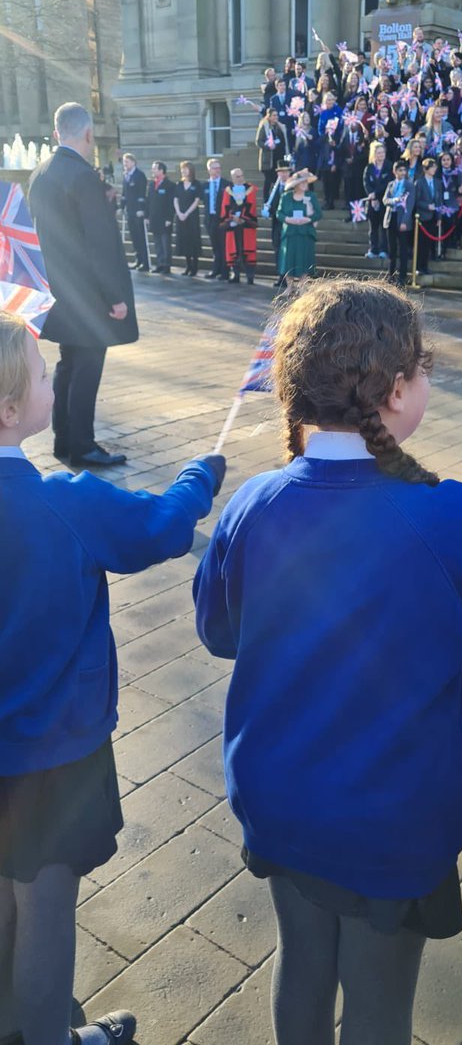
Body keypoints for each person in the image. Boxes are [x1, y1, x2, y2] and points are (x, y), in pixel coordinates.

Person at [193, 276, 462, 1045]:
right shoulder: (448, 519)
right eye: (421, 369)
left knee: (302, 965)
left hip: (277, 797)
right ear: (391, 390)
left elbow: (219, 632)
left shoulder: (253, 501)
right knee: (380, 1008)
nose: (426, 384)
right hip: (389, 820)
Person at [0, 310, 226, 1045]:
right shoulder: (64, 501)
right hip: (53, 751)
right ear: (10, 409)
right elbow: (160, 527)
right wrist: (201, 477)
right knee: (45, 906)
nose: (51, 383)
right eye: (41, 376)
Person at [28, 103, 138, 469]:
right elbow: (99, 242)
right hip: (89, 295)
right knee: (86, 369)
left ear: (58, 132)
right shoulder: (83, 176)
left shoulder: (40, 173)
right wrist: (115, 297)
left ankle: (64, 441)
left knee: (68, 365)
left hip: (58, 290)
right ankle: (83, 446)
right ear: (88, 134)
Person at [276, 168, 322, 290]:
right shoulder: (285, 197)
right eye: (302, 182)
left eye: (306, 182)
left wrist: (308, 219)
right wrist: (288, 219)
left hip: (305, 233)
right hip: (290, 233)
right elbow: (279, 213)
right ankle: (289, 287)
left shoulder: (311, 196)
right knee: (288, 259)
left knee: (304, 259)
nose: (305, 185)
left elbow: (318, 214)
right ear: (296, 185)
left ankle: (302, 287)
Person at [220, 168, 258, 284]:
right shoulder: (228, 191)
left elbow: (251, 206)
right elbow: (225, 206)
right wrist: (231, 217)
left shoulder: (250, 189)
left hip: (246, 225)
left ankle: (250, 276)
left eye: (241, 175)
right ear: (232, 178)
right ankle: (235, 275)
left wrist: (242, 218)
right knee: (233, 250)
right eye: (237, 176)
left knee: (248, 250)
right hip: (233, 225)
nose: (241, 178)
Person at [383, 158, 415, 286]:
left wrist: (405, 221)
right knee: (392, 249)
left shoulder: (409, 185)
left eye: (404, 170)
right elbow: (385, 200)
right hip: (391, 218)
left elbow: (410, 204)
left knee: (403, 249)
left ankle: (402, 277)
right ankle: (390, 275)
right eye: (400, 170)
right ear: (395, 171)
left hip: (402, 219)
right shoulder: (391, 184)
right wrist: (393, 200)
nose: (402, 172)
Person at [264, 162, 292, 289]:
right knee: (277, 250)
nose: (284, 174)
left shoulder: (292, 187)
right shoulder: (274, 187)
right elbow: (271, 203)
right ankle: (281, 276)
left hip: (289, 224)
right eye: (281, 172)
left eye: (286, 171)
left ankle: (289, 277)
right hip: (276, 224)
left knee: (288, 251)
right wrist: (267, 210)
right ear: (278, 173)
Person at [121, 153, 150, 273]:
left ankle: (145, 262)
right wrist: (121, 207)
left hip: (138, 211)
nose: (125, 164)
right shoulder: (126, 175)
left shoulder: (139, 175)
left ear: (133, 162)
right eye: (124, 162)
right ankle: (138, 259)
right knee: (134, 237)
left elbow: (142, 194)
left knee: (140, 237)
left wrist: (141, 209)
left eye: (127, 162)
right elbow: (124, 194)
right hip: (130, 211)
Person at [363, 142, 392, 259]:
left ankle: (384, 249)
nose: (381, 155)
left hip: (383, 200)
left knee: (383, 227)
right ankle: (373, 249)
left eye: (383, 152)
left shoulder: (389, 166)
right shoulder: (369, 167)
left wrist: (376, 193)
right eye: (379, 153)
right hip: (371, 201)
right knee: (373, 227)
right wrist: (371, 195)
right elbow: (366, 182)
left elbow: (388, 183)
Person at [146, 161, 175, 275]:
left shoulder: (170, 185)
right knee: (157, 243)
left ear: (161, 170)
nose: (152, 171)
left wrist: (169, 218)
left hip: (164, 219)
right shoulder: (152, 184)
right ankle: (160, 264)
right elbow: (149, 200)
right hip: (154, 218)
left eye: (154, 169)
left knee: (165, 243)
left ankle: (166, 265)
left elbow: (170, 203)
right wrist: (147, 215)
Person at [201, 158, 228, 280]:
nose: (217, 170)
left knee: (223, 246)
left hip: (222, 219)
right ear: (209, 170)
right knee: (215, 246)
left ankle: (224, 271)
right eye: (214, 168)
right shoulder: (205, 185)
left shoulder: (226, 184)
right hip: (210, 218)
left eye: (219, 167)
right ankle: (215, 270)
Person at [174, 161, 202, 276]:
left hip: (192, 217)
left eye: (186, 169)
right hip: (180, 216)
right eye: (182, 169)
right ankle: (188, 266)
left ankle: (195, 266)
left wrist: (187, 213)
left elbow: (196, 201)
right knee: (184, 240)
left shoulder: (196, 184)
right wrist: (179, 213)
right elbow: (175, 199)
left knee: (193, 240)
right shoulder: (179, 184)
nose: (183, 171)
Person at [415, 158, 443, 274]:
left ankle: (425, 266)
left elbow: (439, 200)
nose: (434, 169)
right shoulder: (419, 182)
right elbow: (416, 200)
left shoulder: (437, 182)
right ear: (426, 169)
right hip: (422, 217)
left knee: (428, 243)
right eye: (432, 167)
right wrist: (427, 206)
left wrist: (439, 217)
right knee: (421, 243)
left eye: (435, 167)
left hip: (433, 217)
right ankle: (418, 266)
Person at [256, 108, 287, 201]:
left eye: (277, 115)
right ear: (269, 116)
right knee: (268, 181)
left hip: (279, 157)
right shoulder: (264, 126)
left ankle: (276, 200)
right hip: (269, 158)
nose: (276, 117)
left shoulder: (279, 126)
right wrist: (268, 146)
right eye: (274, 115)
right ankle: (266, 200)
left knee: (277, 180)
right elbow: (258, 141)